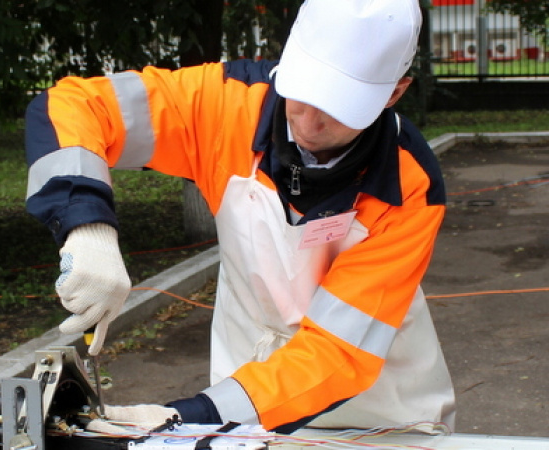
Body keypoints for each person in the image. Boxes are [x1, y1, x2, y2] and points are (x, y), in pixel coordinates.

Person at [24, 0, 456, 433]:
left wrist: (193, 417)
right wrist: (86, 226)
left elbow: (337, 353)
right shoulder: (228, 104)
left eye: (339, 107)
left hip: (380, 410)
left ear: (394, 93)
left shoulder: (408, 183)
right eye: (301, 91)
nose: (308, 122)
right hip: (245, 393)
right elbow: (73, 106)